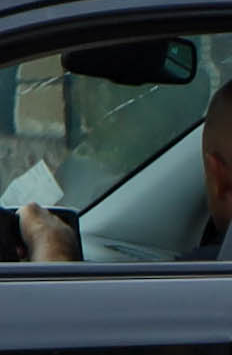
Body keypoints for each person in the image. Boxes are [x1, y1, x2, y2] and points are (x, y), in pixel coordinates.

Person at [21, 79, 232, 263]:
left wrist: (52, 246)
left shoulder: (203, 277)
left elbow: (66, 308)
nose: (84, 101)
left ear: (218, 177)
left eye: (104, 91)